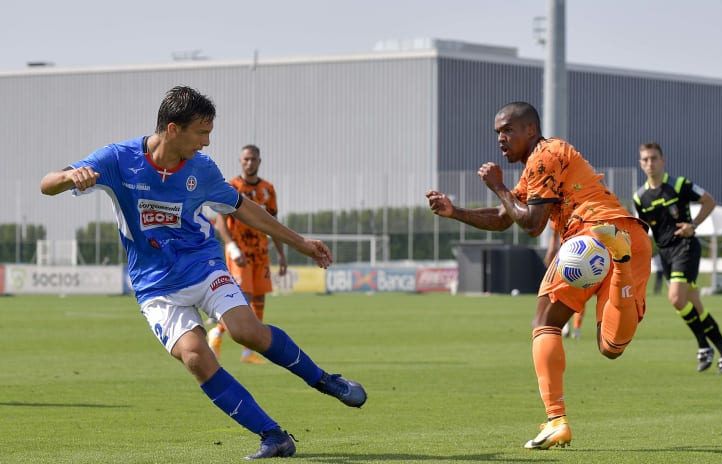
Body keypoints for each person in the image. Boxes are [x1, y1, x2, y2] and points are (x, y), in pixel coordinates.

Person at [39, 86, 367, 460]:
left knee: (247, 331)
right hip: (155, 286)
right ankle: (274, 436)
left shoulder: (202, 169)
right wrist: (70, 178)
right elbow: (46, 184)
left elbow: (245, 209)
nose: (207, 143)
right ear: (173, 129)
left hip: (203, 266)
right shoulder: (117, 159)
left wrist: (300, 243)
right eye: (201, 133)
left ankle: (324, 380)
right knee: (195, 356)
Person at [426, 102, 651, 450]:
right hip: (628, 237)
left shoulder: (544, 155)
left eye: (508, 130)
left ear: (531, 130)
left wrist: (497, 186)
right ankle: (620, 265)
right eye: (498, 133)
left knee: (544, 320)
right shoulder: (540, 163)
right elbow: (506, 218)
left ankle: (556, 419)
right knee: (611, 347)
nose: (501, 139)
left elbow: (531, 225)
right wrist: (456, 211)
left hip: (588, 234)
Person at [634, 142, 722, 373]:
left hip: (686, 247)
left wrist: (693, 225)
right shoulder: (640, 197)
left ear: (663, 160)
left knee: (675, 298)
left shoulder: (679, 185)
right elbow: (642, 230)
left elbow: (709, 201)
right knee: (695, 305)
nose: (650, 163)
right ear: (641, 164)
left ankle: (703, 347)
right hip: (666, 253)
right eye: (645, 160)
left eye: (653, 158)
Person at [209, 144, 288, 365]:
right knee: (244, 298)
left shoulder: (268, 190)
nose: (249, 163)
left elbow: (273, 224)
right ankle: (216, 333)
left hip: (261, 252)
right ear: (240, 161)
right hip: (239, 252)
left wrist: (281, 256)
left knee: (260, 298)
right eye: (245, 159)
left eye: (253, 159)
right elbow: (221, 223)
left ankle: (248, 352)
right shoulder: (232, 186)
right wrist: (232, 248)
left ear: (259, 161)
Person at [543, 229, 583, 339]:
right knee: (563, 292)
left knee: (578, 293)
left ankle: (575, 329)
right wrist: (552, 249)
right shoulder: (562, 213)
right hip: (566, 255)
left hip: (583, 255)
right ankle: (568, 326)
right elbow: (556, 230)